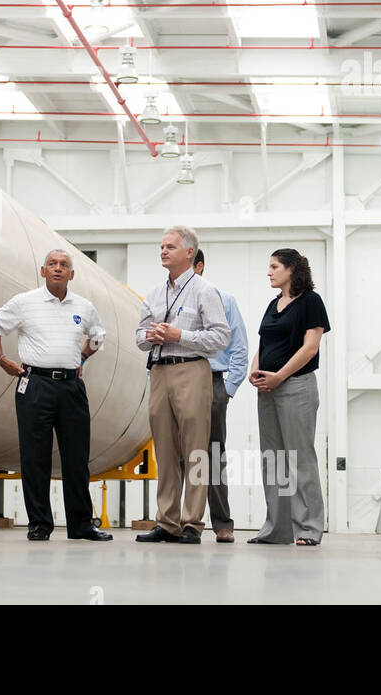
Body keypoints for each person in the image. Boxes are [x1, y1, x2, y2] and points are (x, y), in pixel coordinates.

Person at [0, 249, 112, 542]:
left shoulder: (84, 306)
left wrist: (81, 358)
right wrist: (2, 359)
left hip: (71, 388)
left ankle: (81, 525)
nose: (57, 269)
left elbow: (98, 336)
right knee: (34, 457)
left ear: (72, 274)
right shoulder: (24, 303)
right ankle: (39, 524)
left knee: (76, 457)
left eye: (64, 265)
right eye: (52, 264)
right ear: (43, 272)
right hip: (35, 384)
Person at [135, 226, 230, 545]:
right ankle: (167, 521)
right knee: (164, 447)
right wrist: (151, 336)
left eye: (170, 247)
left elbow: (220, 337)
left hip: (192, 370)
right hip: (159, 371)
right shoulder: (152, 293)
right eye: (161, 246)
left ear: (189, 252)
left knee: (195, 449)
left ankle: (192, 522)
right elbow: (138, 337)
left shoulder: (205, 291)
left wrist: (180, 336)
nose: (163, 251)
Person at [248, 248, 330, 547]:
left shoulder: (311, 302)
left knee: (299, 459)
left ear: (291, 269)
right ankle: (278, 529)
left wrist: (279, 375)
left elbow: (310, 348)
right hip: (267, 389)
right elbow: (263, 342)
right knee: (274, 460)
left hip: (296, 387)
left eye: (274, 266)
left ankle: (308, 528)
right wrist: (255, 371)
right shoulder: (273, 304)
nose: (269, 272)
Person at [191, 248, 248, 544]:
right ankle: (184, 522)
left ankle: (223, 523)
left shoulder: (224, 300)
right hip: (178, 379)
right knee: (179, 455)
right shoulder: (167, 301)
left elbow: (238, 347)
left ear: (199, 266)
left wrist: (228, 388)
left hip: (212, 380)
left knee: (213, 455)